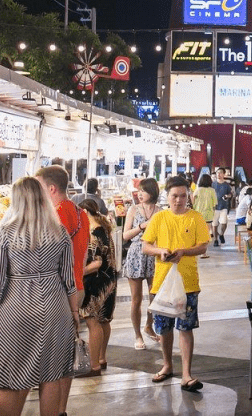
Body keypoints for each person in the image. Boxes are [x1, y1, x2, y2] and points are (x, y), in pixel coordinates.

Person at [0, 177, 79, 416]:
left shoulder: (6, 232)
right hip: (56, 308)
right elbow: (69, 280)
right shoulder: (60, 232)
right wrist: (74, 313)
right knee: (51, 375)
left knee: (12, 376)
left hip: (17, 309)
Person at [142, 176, 211, 392]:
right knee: (163, 328)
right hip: (162, 284)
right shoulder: (159, 218)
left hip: (188, 283)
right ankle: (167, 365)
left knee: (186, 328)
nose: (179, 200)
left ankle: (186, 374)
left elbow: (203, 246)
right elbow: (146, 246)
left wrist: (184, 252)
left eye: (183, 196)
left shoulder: (196, 218)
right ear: (167, 196)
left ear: (188, 197)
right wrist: (160, 251)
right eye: (174, 196)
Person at [35, 164, 87, 416]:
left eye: (40, 187)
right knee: (64, 354)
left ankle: (54, 410)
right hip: (77, 285)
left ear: (51, 188)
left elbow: (51, 256)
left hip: (60, 291)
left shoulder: (57, 214)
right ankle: (61, 409)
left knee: (54, 359)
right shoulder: (81, 212)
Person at [78, 198, 117, 376]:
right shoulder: (105, 229)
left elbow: (96, 263)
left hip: (95, 282)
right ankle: (101, 358)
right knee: (104, 320)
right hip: (109, 280)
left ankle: (93, 366)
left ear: (85, 213)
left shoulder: (93, 232)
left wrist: (78, 273)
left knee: (93, 322)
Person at [121, 177, 161, 350]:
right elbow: (125, 235)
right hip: (136, 253)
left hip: (153, 254)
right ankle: (137, 335)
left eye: (143, 191)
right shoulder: (133, 209)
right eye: (139, 191)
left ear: (152, 192)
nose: (140, 194)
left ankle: (149, 326)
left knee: (155, 296)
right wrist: (141, 227)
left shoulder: (160, 211)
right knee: (136, 299)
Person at [192, 174, 216, 252]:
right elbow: (214, 204)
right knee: (206, 233)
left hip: (198, 214)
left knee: (198, 232)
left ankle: (197, 247)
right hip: (208, 214)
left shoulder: (197, 190)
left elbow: (193, 202)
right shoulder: (212, 190)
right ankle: (204, 250)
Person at [210, 168, 233, 246]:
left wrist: (228, 196)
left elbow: (230, 194)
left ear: (224, 174)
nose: (218, 175)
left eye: (220, 173)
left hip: (224, 206)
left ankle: (221, 234)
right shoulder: (213, 184)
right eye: (217, 173)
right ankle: (216, 240)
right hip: (214, 207)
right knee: (214, 224)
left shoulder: (226, 185)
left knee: (224, 223)